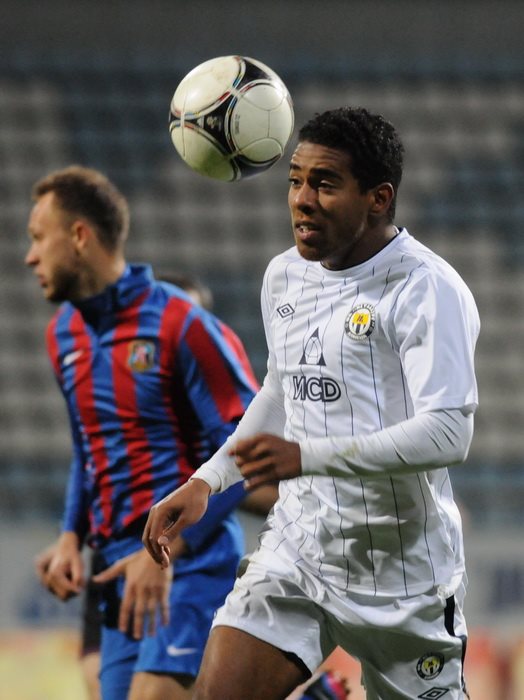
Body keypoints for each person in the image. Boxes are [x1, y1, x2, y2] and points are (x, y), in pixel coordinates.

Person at [143, 106, 480, 700]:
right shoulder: (285, 276)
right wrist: (209, 480)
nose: (302, 199)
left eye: (324, 184)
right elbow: (281, 390)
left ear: (378, 198)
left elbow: (448, 432)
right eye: (295, 180)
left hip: (402, 576)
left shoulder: (427, 288)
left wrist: (307, 456)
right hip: (300, 551)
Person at [25, 165, 262, 700]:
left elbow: (250, 450)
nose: (30, 256)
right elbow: (88, 449)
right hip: (118, 566)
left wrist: (170, 545)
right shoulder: (63, 334)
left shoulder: (180, 324)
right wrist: (70, 536)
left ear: (79, 236)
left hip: (191, 559)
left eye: (39, 238)